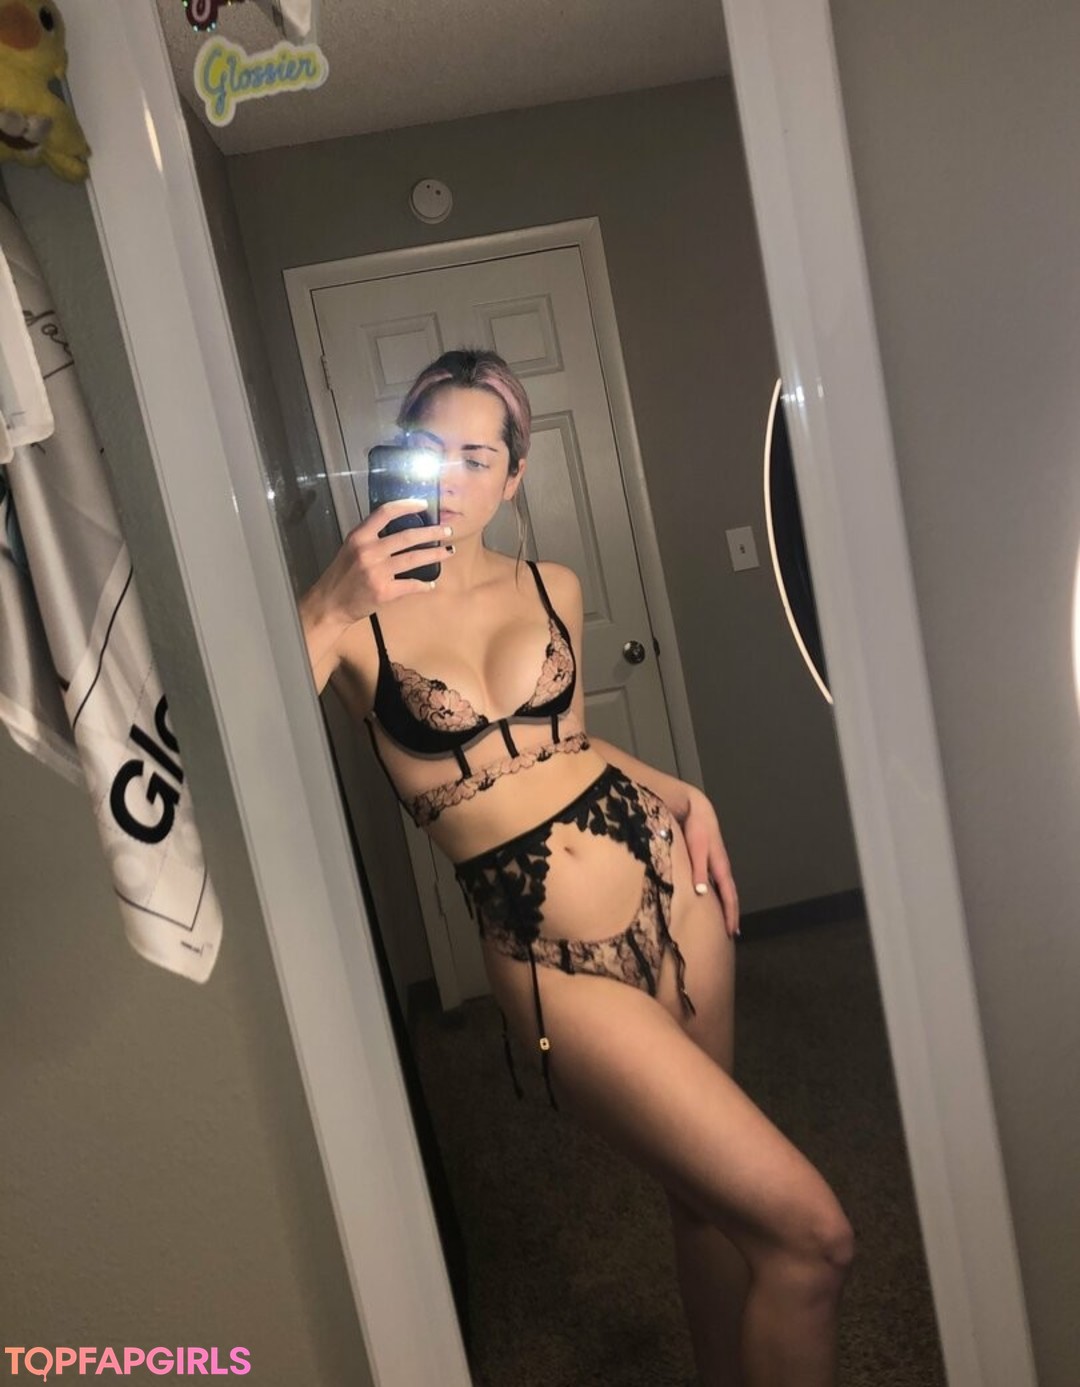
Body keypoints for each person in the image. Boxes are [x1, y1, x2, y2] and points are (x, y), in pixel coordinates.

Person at [299, 348, 854, 1386]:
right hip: (547, 952)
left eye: (478, 457)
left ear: (515, 477)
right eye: (428, 450)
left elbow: (565, 747)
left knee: (706, 1204)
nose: (450, 477)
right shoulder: (349, 619)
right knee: (812, 1238)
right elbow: (239, 759)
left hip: (672, 889)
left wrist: (685, 792)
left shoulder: (550, 583)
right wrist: (329, 601)